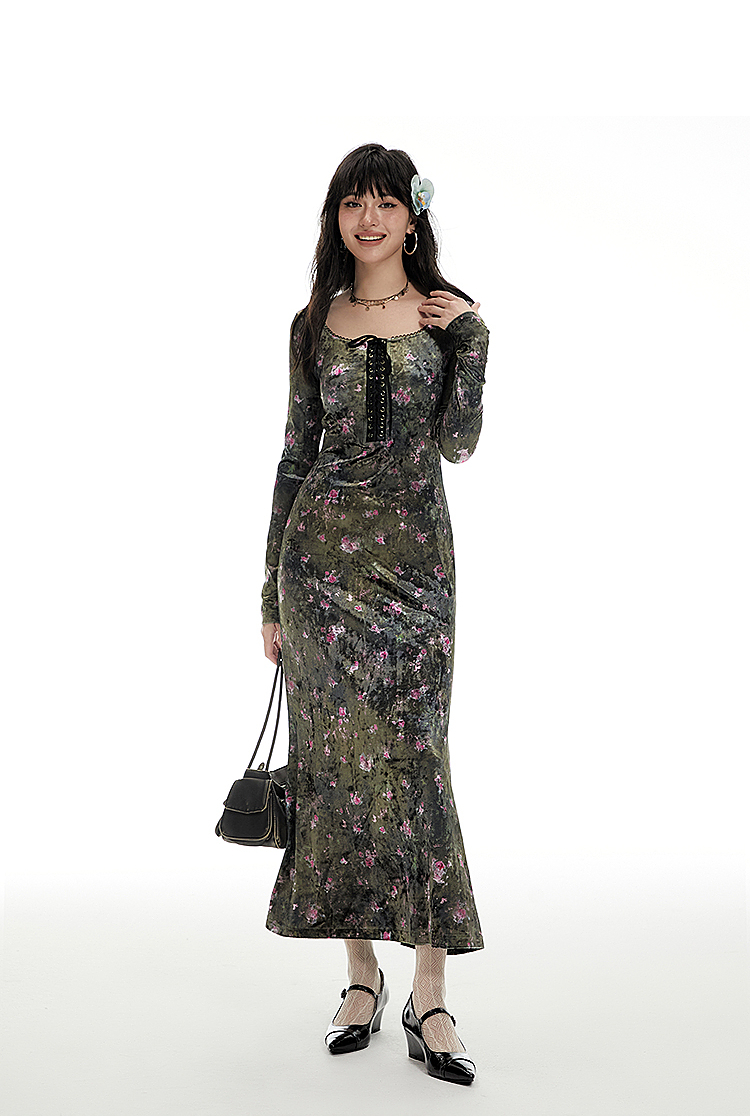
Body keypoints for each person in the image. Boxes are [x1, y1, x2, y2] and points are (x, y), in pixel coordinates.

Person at [259, 143, 489, 1086]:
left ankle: (430, 995)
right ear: (336, 219)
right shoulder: (313, 323)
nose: (369, 219)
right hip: (319, 572)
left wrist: (474, 338)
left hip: (417, 574)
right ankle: (362, 978)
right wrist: (269, 592)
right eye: (352, 203)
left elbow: (459, 443)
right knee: (336, 769)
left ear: (411, 216)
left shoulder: (443, 319)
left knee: (417, 765)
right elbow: (292, 455)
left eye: (385, 203)